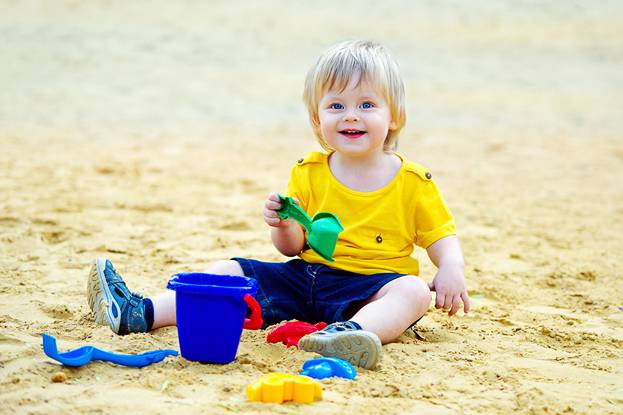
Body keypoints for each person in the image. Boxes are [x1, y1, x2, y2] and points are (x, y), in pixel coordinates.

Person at [87, 40, 470, 370]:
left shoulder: (413, 182)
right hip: (306, 278)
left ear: (395, 117)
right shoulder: (308, 171)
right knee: (228, 270)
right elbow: (292, 247)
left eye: (367, 104)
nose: (351, 114)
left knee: (414, 293)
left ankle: (351, 335)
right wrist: (282, 225)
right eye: (336, 106)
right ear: (318, 120)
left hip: (370, 290)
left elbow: (441, 236)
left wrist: (450, 267)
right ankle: (142, 313)